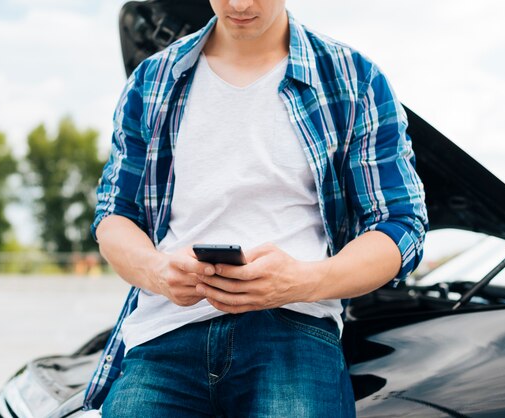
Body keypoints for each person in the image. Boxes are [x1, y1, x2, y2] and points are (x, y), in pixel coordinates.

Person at [83, 0, 428, 416]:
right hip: (164, 335)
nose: (241, 4)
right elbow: (114, 216)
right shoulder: (152, 81)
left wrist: (303, 280)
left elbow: (400, 224)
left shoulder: (355, 79)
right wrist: (157, 271)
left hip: (294, 334)